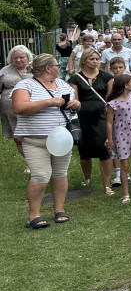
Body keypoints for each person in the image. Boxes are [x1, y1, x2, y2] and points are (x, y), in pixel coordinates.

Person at [12, 54, 82, 228]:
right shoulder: (25, 85)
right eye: (57, 65)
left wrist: (76, 105)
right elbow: (19, 108)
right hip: (36, 140)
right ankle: (33, 215)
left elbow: (75, 103)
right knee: (41, 175)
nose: (60, 67)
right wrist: (49, 102)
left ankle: (59, 209)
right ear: (48, 68)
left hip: (62, 140)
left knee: (60, 174)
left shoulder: (62, 84)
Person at [68, 48, 115, 194]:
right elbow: (74, 98)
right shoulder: (76, 78)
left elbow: (110, 97)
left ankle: (107, 184)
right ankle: (87, 178)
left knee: (104, 149)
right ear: (84, 60)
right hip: (83, 117)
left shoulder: (106, 77)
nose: (95, 62)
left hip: (101, 116)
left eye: (97, 59)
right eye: (91, 59)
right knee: (84, 150)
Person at [105, 73, 131, 203]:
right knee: (124, 165)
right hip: (121, 135)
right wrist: (110, 140)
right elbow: (109, 123)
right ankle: (125, 193)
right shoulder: (113, 103)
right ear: (125, 85)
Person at [1, 45, 34, 161]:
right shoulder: (4, 71)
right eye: (15, 58)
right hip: (10, 111)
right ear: (11, 58)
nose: (18, 60)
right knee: (18, 138)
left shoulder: (35, 69)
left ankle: (38, 160)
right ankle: (30, 162)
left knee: (32, 137)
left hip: (31, 108)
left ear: (27, 57)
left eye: (21, 57)